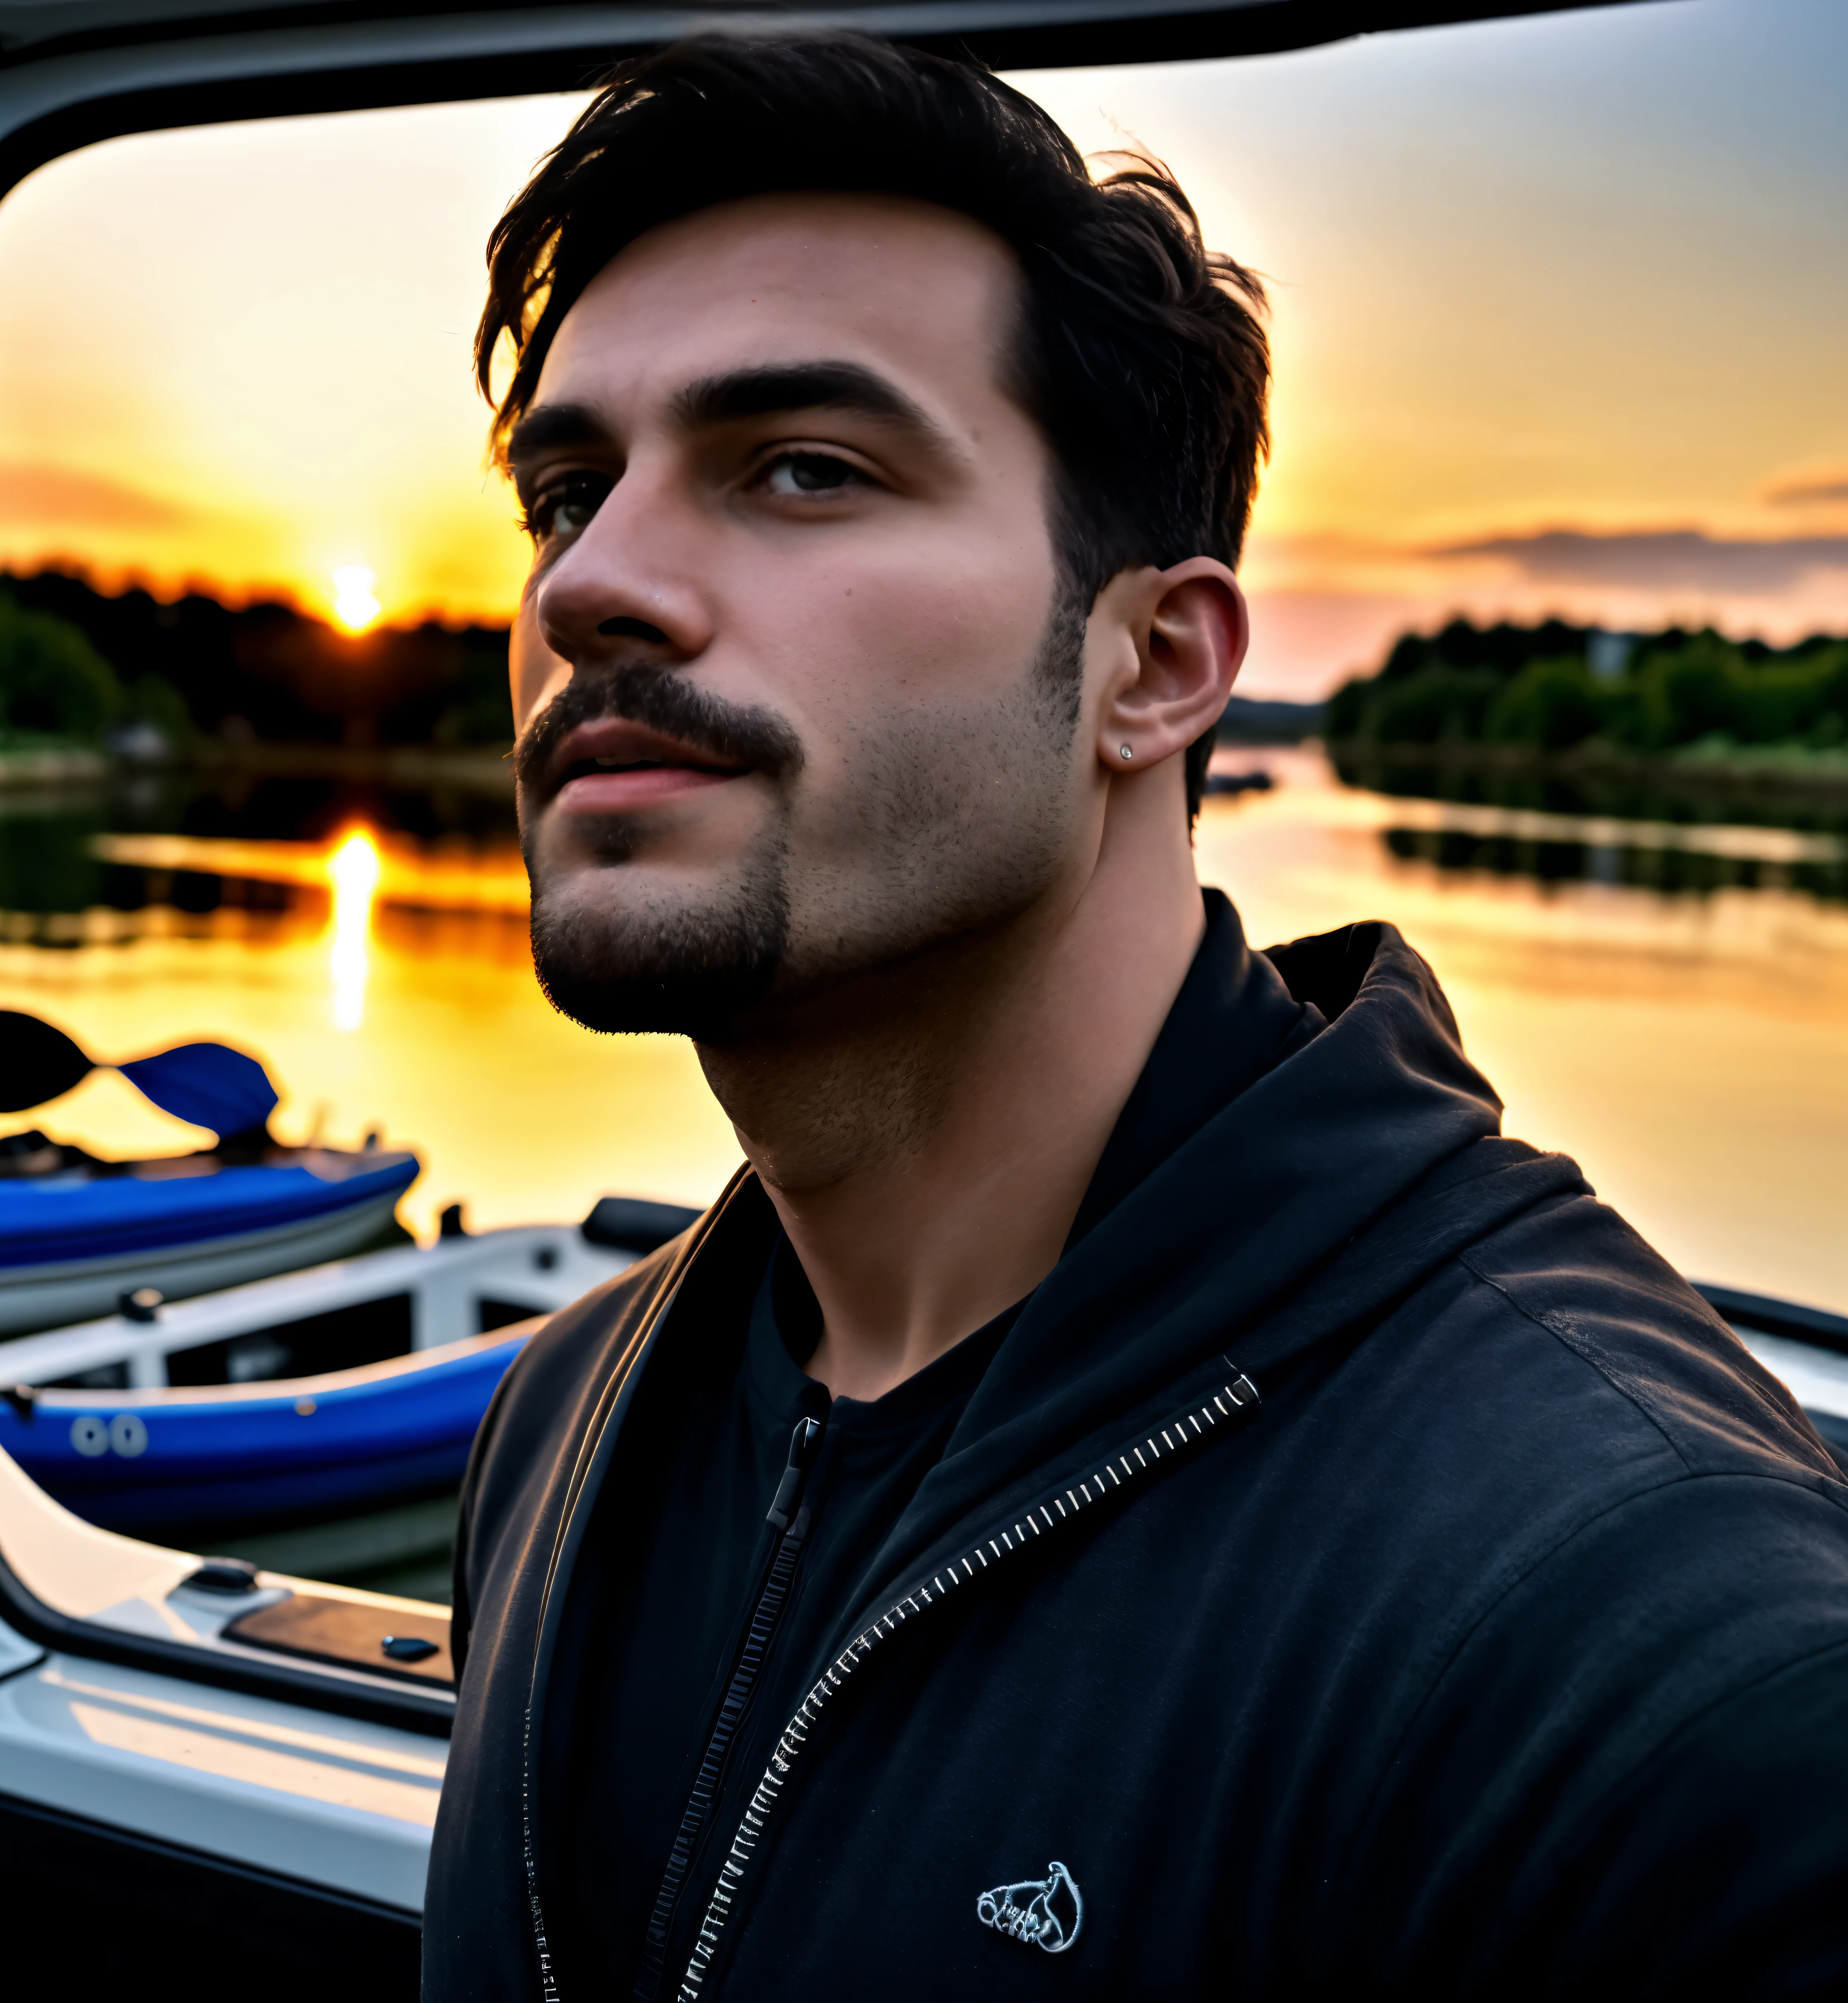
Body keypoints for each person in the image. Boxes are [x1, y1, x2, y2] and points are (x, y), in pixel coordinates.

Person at [424, 33, 1848, 2002]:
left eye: (804, 470)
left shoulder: (1640, 1632)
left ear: (1155, 664)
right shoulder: (561, 1423)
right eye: (566, 490)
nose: (595, 584)